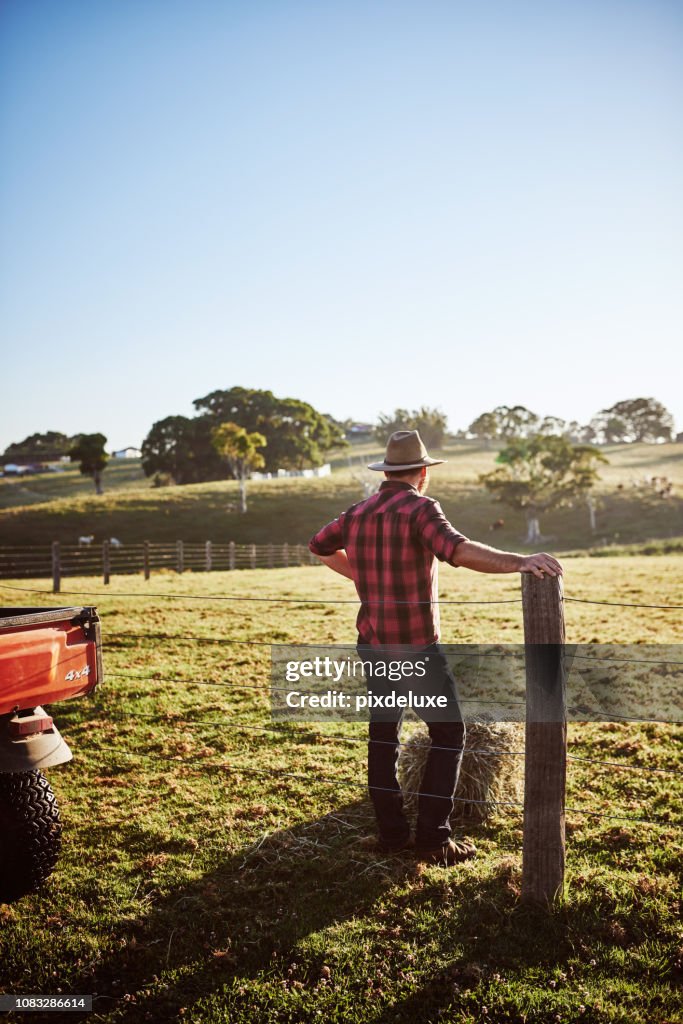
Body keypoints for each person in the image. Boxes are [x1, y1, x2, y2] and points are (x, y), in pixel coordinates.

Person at [309, 429, 563, 867]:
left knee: (382, 735)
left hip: (372, 645)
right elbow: (458, 551)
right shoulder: (420, 508)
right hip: (417, 651)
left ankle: (391, 834)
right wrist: (520, 562)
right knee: (448, 733)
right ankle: (433, 838)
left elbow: (319, 545)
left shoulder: (359, 512)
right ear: (423, 473)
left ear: (387, 472)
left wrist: (361, 576)